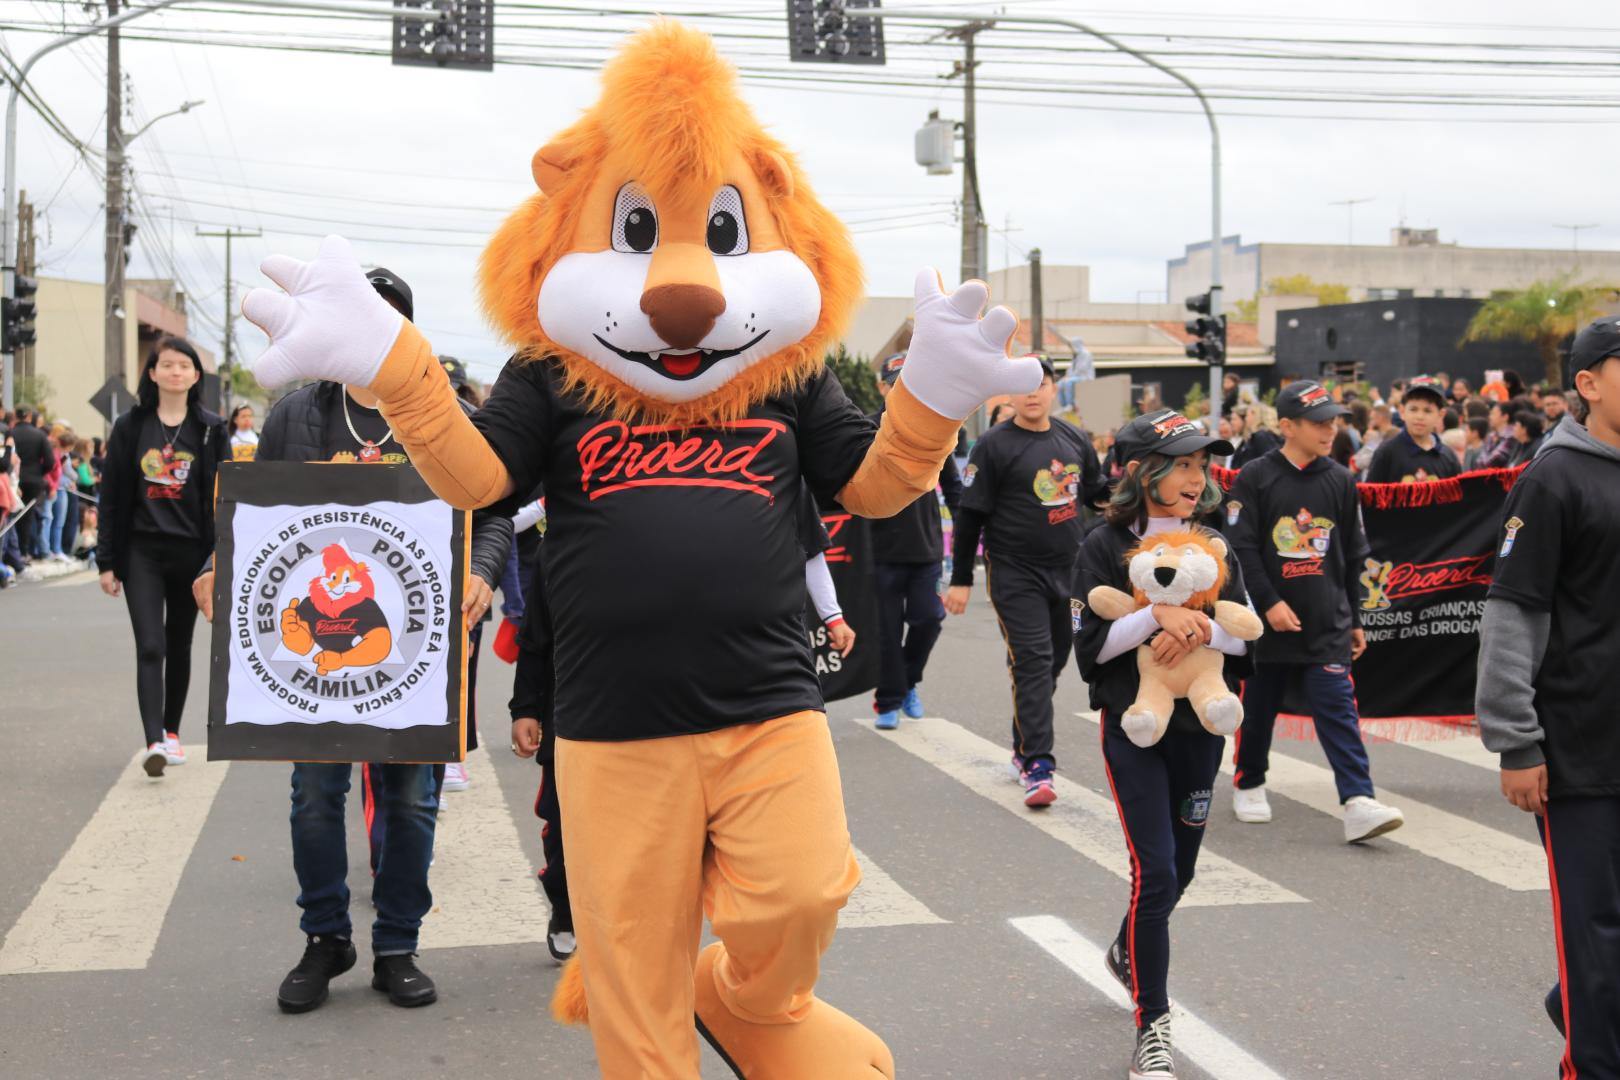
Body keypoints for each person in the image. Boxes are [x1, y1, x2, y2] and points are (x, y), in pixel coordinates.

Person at [195, 267, 512, 1014]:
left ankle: (397, 945)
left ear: (405, 332)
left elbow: (495, 507)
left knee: (412, 801)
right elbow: (256, 511)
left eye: (386, 318)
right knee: (314, 795)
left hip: (419, 646)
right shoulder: (295, 414)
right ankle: (325, 938)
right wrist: (217, 565)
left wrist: (483, 572)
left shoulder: (450, 416)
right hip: (314, 653)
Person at [1071, 410, 1247, 1080]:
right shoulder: (1102, 544)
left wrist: (1195, 628)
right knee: (1157, 873)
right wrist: (1155, 614)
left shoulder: (1214, 540)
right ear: (1142, 472)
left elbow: (1244, 636)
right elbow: (1091, 648)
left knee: (1184, 870)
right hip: (1135, 727)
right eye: (1182, 465)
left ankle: (1128, 949)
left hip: (1202, 728)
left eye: (1203, 465)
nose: (1197, 478)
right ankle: (1153, 1024)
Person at [1476, 314, 1620, 1076]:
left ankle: (1581, 1005)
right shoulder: (1553, 478)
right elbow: (1512, 613)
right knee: (1596, 937)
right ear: (1588, 384)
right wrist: (1515, 740)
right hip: (1578, 753)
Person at [1225, 381, 1406, 842]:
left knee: (1338, 709)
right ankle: (1249, 782)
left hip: (1327, 622)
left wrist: (1356, 618)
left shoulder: (1341, 479)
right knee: (1258, 709)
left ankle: (1358, 800)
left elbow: (1352, 554)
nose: (1330, 430)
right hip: (1267, 625)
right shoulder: (1255, 477)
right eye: (1319, 422)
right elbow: (1242, 549)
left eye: (1334, 422)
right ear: (1287, 426)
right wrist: (1269, 603)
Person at [947, 358, 1103, 807]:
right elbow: (970, 517)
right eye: (1023, 385)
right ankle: (1038, 765)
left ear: (1054, 389)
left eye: (1042, 383)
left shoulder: (1074, 439)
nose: (1033, 392)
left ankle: (1023, 742)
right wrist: (961, 579)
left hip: (1068, 570)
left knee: (1053, 661)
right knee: (1034, 660)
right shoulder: (993, 446)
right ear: (1009, 393)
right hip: (1015, 571)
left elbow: (1097, 495)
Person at [96, 339, 228, 777]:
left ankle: (172, 732)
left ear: (195, 376)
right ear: (151, 373)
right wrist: (106, 561)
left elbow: (228, 494)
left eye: (183, 365)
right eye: (166, 365)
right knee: (151, 645)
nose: (175, 372)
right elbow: (111, 495)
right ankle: (153, 739)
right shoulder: (131, 426)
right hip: (142, 553)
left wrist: (222, 556)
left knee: (180, 644)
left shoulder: (211, 429)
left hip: (193, 553)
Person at [868, 352, 960, 730]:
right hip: (877, 551)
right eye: (897, 385)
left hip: (926, 550)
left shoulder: (933, 429)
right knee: (886, 634)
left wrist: (968, 530)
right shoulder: (864, 429)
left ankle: (907, 682)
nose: (904, 392)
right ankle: (888, 700)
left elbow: (953, 486)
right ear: (883, 388)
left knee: (929, 619)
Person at [1363, 375, 1459, 483]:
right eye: (1413, 409)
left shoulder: (1448, 457)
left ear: (1440, 415)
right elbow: (1371, 491)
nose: (1420, 416)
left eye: (1427, 411)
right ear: (1402, 412)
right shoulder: (1387, 453)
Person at [9, 405, 51, 560]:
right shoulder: (39, 435)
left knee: (11, 516)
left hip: (13, 479)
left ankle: (11, 552)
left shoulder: (10, 433)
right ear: (29, 417)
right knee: (27, 517)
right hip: (33, 479)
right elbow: (50, 461)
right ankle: (23, 551)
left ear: (15, 415)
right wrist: (39, 472)